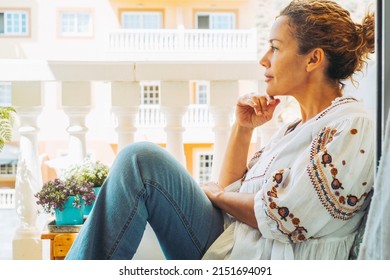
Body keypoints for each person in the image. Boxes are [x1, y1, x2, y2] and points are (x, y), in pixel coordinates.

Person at [66, 0, 375, 260]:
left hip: (257, 258)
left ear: (314, 59)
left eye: (276, 48)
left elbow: (284, 216)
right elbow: (229, 192)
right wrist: (242, 130)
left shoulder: (350, 124)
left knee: (140, 160)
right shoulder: (294, 129)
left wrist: (215, 194)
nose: (264, 59)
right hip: (233, 241)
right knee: (139, 160)